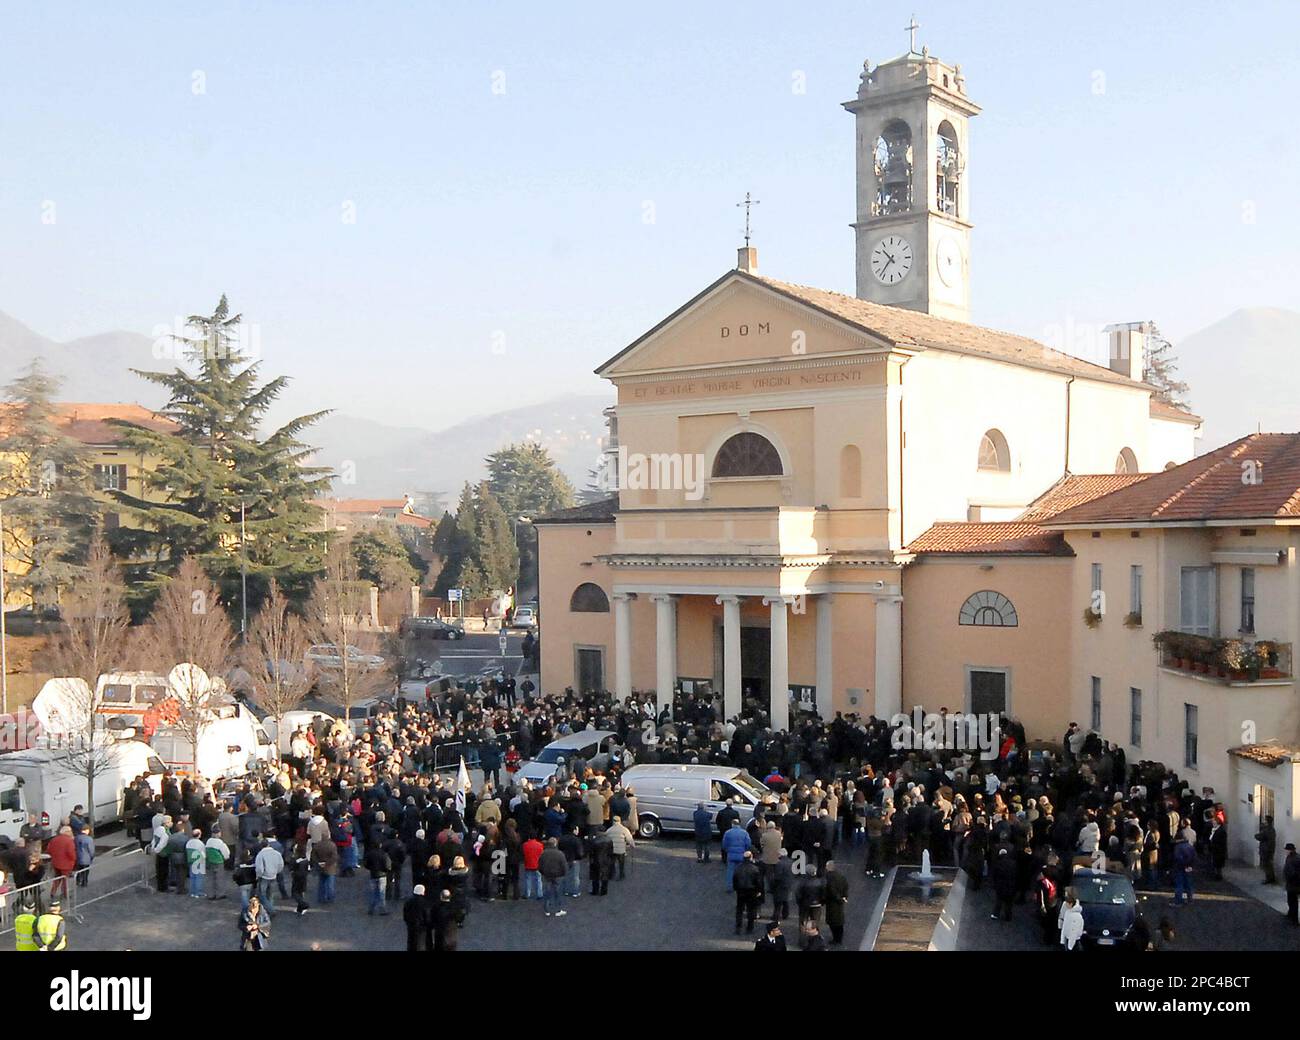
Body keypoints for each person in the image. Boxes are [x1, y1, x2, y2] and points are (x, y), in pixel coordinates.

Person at [732, 850, 763, 934]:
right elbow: (758, 882)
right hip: (751, 891)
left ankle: (738, 927)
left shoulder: (738, 867)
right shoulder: (755, 869)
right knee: (751, 910)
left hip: (741, 890)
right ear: (751, 857)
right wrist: (759, 891)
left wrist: (736, 889)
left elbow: (735, 879)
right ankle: (750, 927)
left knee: (739, 910)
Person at [538, 837, 569, 917]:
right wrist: (563, 873)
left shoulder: (543, 853)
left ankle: (546, 910)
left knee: (547, 892)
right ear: (555, 844)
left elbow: (540, 865)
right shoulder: (560, 853)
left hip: (547, 874)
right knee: (557, 892)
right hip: (558, 875)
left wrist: (543, 872)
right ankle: (558, 909)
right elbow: (564, 866)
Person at [721, 820, 752, 892]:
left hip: (731, 855)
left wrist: (727, 850)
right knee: (741, 871)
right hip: (741, 855)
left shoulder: (728, 832)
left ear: (732, 824)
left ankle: (729, 887)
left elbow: (724, 844)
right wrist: (745, 851)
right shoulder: (744, 833)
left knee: (730, 871)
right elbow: (748, 843)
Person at [823, 861, 849, 945]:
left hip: (832, 903)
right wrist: (844, 897)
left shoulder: (829, 877)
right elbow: (846, 886)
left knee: (832, 921)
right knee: (839, 921)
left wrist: (838, 899)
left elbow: (831, 890)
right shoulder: (841, 876)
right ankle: (839, 938)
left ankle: (836, 939)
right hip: (840, 902)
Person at [990, 846, 1017, 921]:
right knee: (1009, 902)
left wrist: (994, 884)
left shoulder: (997, 863)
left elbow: (994, 875)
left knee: (999, 900)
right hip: (1011, 884)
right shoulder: (1013, 863)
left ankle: (995, 914)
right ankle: (1008, 916)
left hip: (1001, 885)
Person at [403, 884, 432, 950]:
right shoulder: (425, 903)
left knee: (411, 942)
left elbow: (405, 915)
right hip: (421, 927)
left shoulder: (408, 902)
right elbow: (427, 916)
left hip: (411, 926)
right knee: (420, 943)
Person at [185, 828, 207, 899]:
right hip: (199, 861)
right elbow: (203, 854)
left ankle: (193, 892)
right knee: (199, 877)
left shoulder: (188, 842)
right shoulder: (200, 843)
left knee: (192, 877)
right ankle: (198, 892)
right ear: (199, 835)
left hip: (191, 861)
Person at [1256, 815, 1277, 885]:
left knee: (1266, 865)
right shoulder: (1272, 829)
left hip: (1265, 849)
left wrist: (1257, 835)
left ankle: (1269, 878)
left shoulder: (1267, 830)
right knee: (1269, 864)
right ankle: (1271, 878)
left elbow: (1259, 836)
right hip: (1270, 849)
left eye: (1265, 820)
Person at [1284, 842, 1300, 925]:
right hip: (1293, 883)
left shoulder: (1292, 859)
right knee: (1291, 900)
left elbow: (1292, 872)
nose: (1285, 851)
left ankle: (1294, 919)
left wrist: (1290, 879)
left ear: (1289, 850)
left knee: (1293, 901)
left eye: (1286, 850)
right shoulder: (1294, 857)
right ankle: (1291, 914)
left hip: (1293, 883)